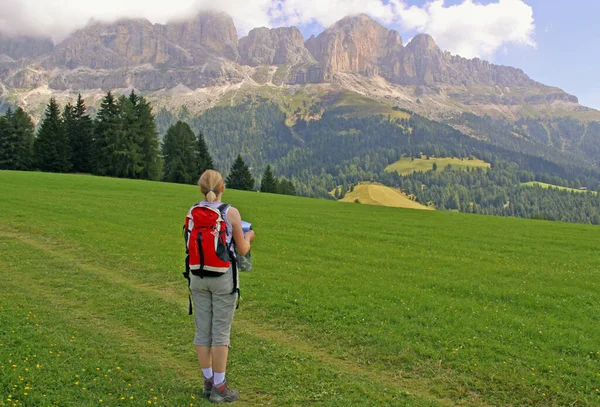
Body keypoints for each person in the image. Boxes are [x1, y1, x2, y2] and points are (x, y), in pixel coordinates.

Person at [188, 170, 255, 403]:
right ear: (222, 188)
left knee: (202, 330)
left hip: (197, 276)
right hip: (223, 277)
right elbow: (242, 249)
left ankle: (208, 382)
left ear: (201, 189)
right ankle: (220, 387)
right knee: (220, 333)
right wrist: (250, 237)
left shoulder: (192, 211)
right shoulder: (231, 212)